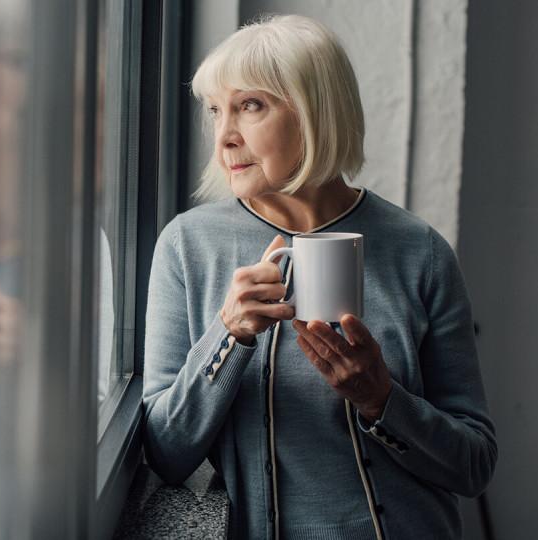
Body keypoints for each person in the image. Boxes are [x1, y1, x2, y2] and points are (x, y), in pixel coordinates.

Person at [142, 15, 497, 540]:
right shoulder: (187, 245)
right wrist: (228, 335)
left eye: (250, 106)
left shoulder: (420, 252)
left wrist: (382, 400)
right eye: (216, 111)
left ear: (314, 113)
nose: (224, 138)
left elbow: (474, 465)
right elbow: (166, 454)